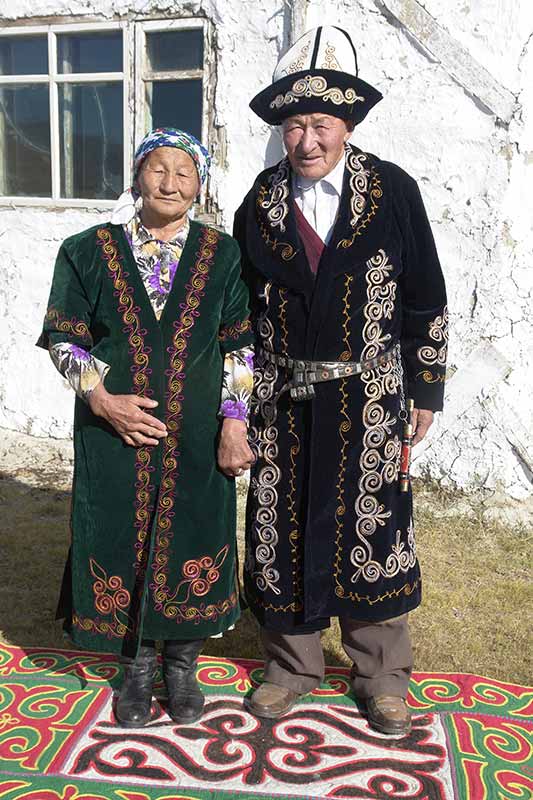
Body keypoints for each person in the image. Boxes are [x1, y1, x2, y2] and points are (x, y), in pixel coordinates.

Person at [233, 26, 448, 736]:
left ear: (345, 127)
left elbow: (424, 297)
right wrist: (234, 405)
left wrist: (423, 389)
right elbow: (238, 313)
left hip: (371, 397)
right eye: (294, 126)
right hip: (282, 401)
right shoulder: (259, 204)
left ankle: (380, 674)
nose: (306, 141)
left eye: (320, 125)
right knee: (281, 525)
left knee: (375, 527)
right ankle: (291, 666)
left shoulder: (392, 192)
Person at [38, 127, 255, 728]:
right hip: (112, 436)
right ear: (137, 177)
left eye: (185, 172)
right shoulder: (87, 250)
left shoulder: (223, 254)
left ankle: (181, 669)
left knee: (193, 534)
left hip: (197, 436)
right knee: (117, 536)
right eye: (158, 169)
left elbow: (239, 347)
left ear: (200, 184)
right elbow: (63, 337)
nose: (171, 182)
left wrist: (234, 424)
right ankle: (133, 670)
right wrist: (103, 401)